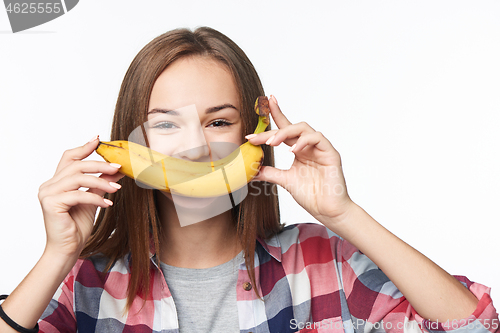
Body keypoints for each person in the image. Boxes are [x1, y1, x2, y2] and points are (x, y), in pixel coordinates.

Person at [0, 27, 497, 333]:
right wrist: (57, 254)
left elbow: (474, 327)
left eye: (219, 121)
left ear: (253, 134)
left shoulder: (323, 263)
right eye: (166, 123)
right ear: (134, 141)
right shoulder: (87, 281)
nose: (195, 145)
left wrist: (345, 215)